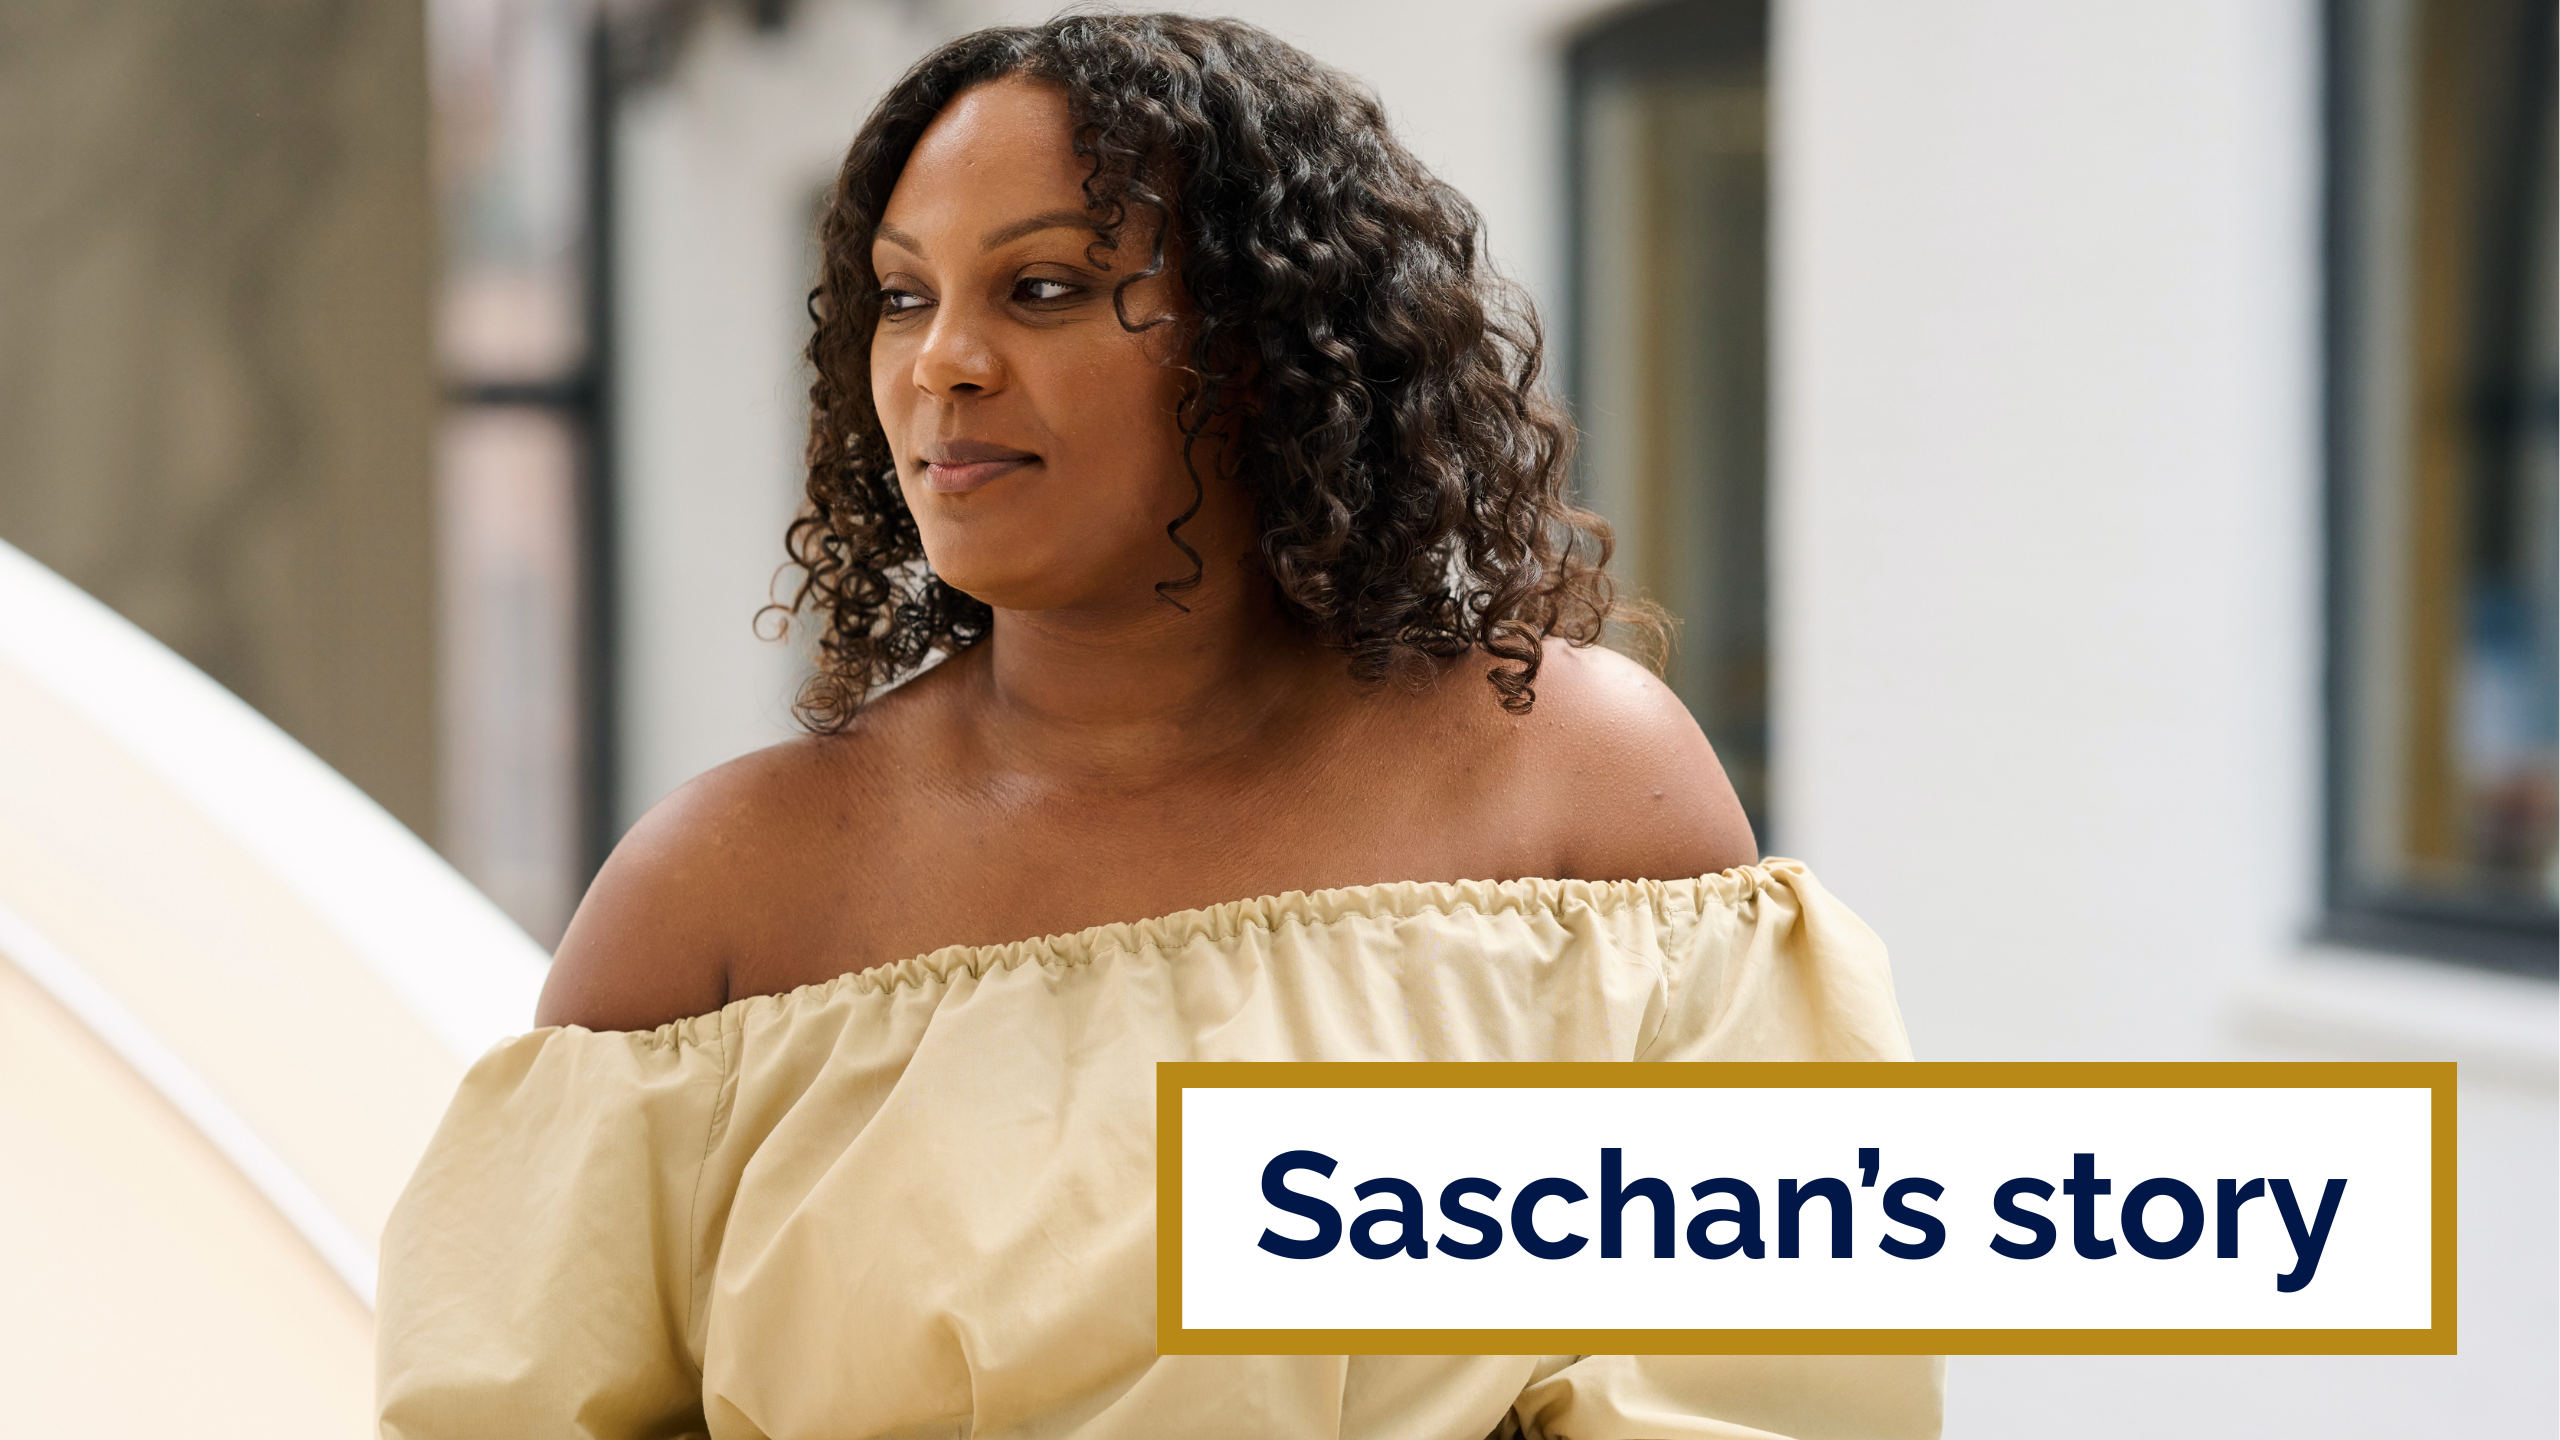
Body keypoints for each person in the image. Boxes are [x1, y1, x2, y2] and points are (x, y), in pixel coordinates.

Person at [376, 13, 1937, 1439]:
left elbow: (1771, 1383)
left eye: (1041, 289)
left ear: (1267, 348)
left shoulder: (1578, 793)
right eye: (903, 297)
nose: (942, 364)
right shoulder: (723, 899)